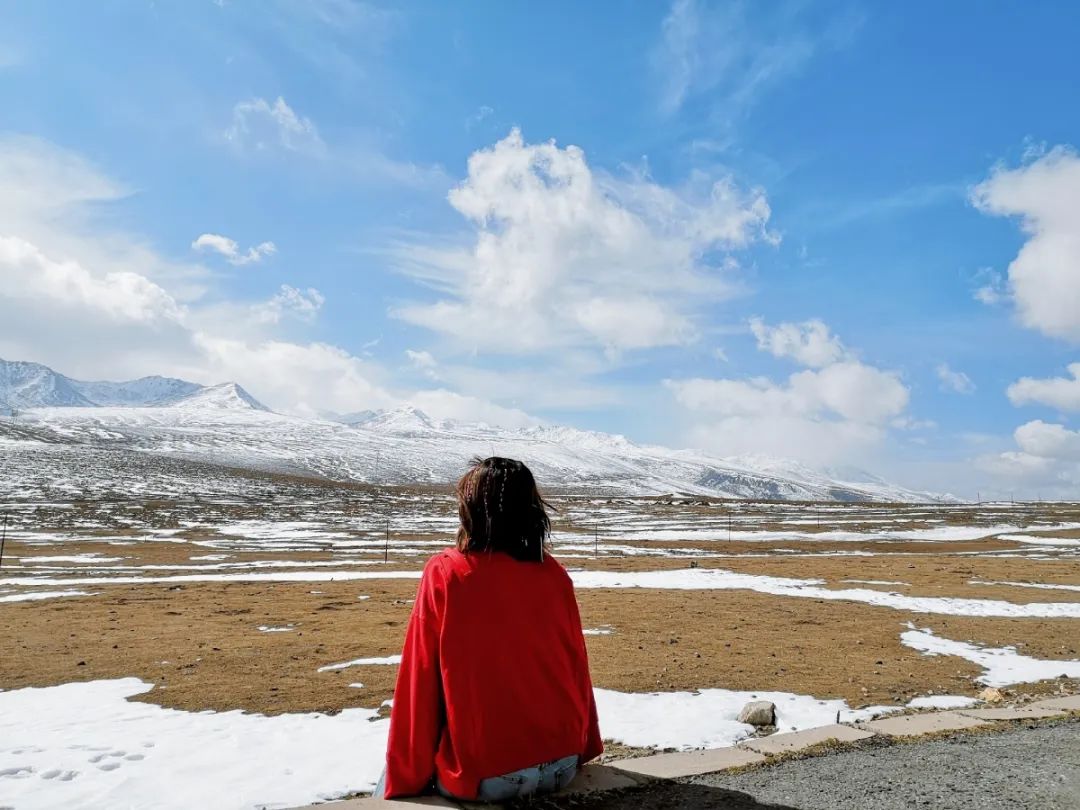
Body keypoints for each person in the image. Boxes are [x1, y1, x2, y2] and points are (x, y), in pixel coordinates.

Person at [373, 456, 603, 802]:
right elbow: (574, 667)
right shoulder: (554, 575)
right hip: (562, 763)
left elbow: (419, 684)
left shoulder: (447, 573)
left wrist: (404, 780)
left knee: (388, 777)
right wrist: (584, 745)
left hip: (488, 775)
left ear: (472, 510)